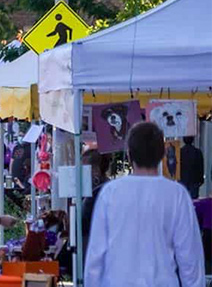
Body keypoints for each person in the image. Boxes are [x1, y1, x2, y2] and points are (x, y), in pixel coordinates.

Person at [85, 122, 204, 287]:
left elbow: (96, 256)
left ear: (129, 154)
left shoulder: (110, 193)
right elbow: (190, 257)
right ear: (162, 153)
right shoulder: (177, 194)